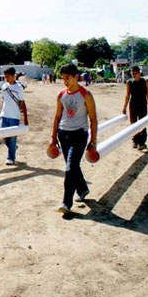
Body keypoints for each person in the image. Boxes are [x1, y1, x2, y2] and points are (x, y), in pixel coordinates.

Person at [49, 63, 98, 215]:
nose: (65, 81)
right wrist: (53, 138)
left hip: (79, 134)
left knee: (70, 168)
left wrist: (93, 142)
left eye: (68, 78)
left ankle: (66, 202)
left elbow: (93, 119)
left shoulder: (86, 95)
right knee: (73, 167)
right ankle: (82, 189)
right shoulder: (61, 95)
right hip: (63, 135)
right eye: (63, 78)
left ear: (77, 77)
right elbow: (57, 117)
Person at [0, 67, 28, 165]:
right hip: (4, 115)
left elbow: (22, 102)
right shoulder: (4, 86)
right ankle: (13, 147)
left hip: (14, 116)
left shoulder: (19, 88)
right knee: (4, 137)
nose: (6, 78)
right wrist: (1, 112)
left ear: (13, 76)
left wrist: (25, 118)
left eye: (8, 76)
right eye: (5, 76)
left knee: (12, 138)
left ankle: (11, 157)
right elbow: (3, 100)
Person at [122, 66, 148, 150]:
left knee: (142, 124)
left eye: (135, 73)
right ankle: (135, 141)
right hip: (133, 106)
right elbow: (127, 96)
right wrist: (124, 108)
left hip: (143, 105)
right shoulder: (129, 82)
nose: (133, 74)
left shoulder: (145, 81)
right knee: (133, 124)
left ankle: (142, 143)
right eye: (132, 73)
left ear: (139, 73)